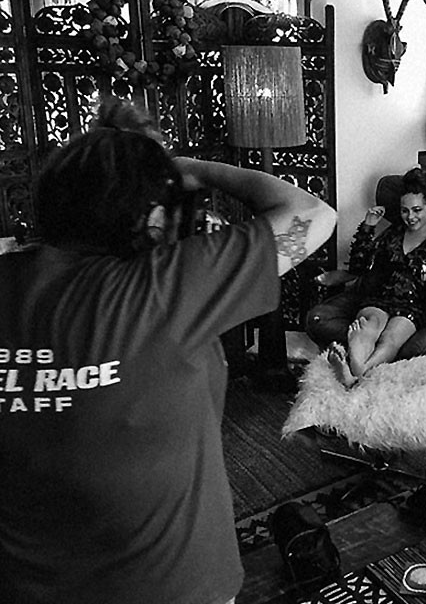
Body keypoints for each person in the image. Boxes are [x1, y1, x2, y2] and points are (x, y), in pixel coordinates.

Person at [0, 97, 336, 604]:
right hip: (174, 585)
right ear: (151, 216)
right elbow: (314, 215)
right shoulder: (159, 290)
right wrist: (196, 169)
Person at [330, 168, 426, 386]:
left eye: (417, 210)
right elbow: (359, 266)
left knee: (391, 337)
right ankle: (358, 367)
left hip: (412, 307)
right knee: (369, 326)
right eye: (405, 211)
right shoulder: (392, 235)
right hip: (380, 299)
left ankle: (356, 372)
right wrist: (368, 226)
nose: (410, 217)